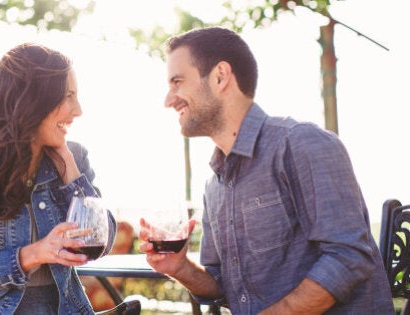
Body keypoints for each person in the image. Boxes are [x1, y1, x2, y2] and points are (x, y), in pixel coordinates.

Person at [139, 27, 394, 314]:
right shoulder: (215, 185)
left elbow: (349, 258)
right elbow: (221, 286)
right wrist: (181, 268)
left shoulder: (301, 144)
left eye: (177, 82)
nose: (168, 99)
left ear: (220, 76)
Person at [0, 42, 116, 314]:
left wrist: (68, 168)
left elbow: (104, 240)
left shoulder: (74, 157)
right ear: (32, 100)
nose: (77, 110)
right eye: (68, 95)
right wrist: (33, 254)